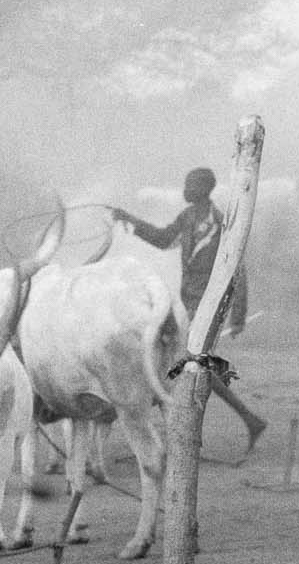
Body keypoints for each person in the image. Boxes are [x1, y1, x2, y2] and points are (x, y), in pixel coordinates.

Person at [114, 167, 267, 452]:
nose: (185, 189)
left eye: (191, 185)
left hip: (211, 303)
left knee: (194, 362)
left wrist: (238, 316)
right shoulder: (187, 218)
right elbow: (163, 239)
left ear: (204, 189)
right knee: (192, 361)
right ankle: (247, 420)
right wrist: (130, 221)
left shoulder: (222, 224)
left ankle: (216, 425)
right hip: (188, 303)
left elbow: (238, 269)